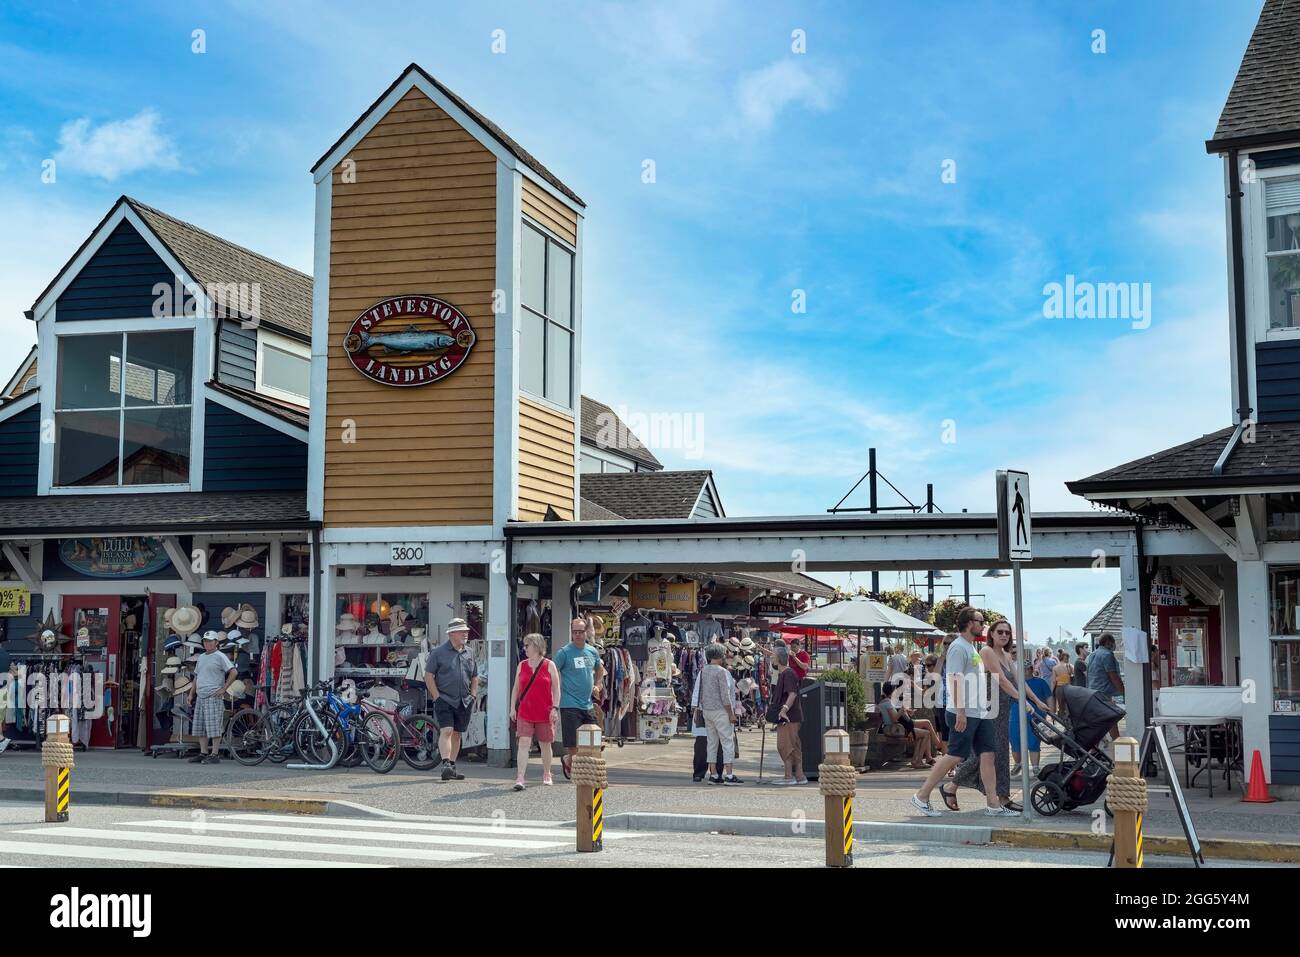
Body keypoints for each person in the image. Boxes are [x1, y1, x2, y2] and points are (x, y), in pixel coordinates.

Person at [911, 608, 1011, 817]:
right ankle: (921, 795)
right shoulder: (958, 648)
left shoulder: (970, 647)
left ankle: (993, 804)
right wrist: (961, 713)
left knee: (988, 754)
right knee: (955, 755)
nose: (983, 624)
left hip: (979, 712)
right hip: (964, 711)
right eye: (980, 621)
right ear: (969, 622)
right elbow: (954, 680)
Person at [943, 620, 1050, 812]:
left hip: (1002, 709)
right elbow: (1000, 680)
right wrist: (1022, 700)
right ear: (991, 633)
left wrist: (1036, 700)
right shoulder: (987, 652)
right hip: (987, 709)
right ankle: (955, 788)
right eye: (999, 631)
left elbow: (1019, 681)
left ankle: (1001, 796)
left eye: (1007, 633)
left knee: (998, 753)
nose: (1004, 635)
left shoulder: (1007, 655)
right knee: (986, 754)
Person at [424, 617, 478, 781]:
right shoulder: (438, 652)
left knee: (457, 734)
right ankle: (445, 764)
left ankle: (452, 767)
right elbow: (428, 676)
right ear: (451, 634)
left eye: (466, 631)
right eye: (462, 631)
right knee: (446, 730)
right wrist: (436, 696)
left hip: (465, 700)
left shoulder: (469, 652)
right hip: (444, 699)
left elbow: (474, 676)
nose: (465, 634)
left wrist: (473, 695)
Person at [554, 616, 606, 781]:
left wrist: (598, 685)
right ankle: (578, 772)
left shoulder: (592, 651)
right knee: (573, 743)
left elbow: (599, 670)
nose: (577, 635)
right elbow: (552, 671)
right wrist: (555, 693)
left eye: (580, 632)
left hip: (587, 703)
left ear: (586, 632)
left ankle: (569, 761)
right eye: (574, 632)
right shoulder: (564, 652)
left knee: (594, 738)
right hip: (569, 703)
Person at [509, 632, 560, 790]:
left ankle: (547, 772)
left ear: (537, 647)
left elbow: (556, 689)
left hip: (545, 711)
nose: (524, 649)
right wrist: (512, 708)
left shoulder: (549, 665)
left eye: (527, 645)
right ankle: (520, 777)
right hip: (525, 711)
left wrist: (555, 708)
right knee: (524, 742)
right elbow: (516, 688)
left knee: (545, 744)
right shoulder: (522, 665)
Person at [696, 643, 743, 785]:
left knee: (712, 743)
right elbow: (725, 695)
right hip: (721, 711)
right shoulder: (722, 672)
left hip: (707, 710)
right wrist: (731, 713)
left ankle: (714, 774)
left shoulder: (703, 670)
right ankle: (729, 775)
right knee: (727, 742)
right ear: (719, 655)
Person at [188, 630, 236, 764]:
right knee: (200, 726)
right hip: (201, 695)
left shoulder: (220, 656)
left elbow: (233, 672)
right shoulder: (202, 657)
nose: (207, 643)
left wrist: (224, 688)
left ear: (216, 643)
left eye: (210, 641)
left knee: (214, 726)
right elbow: (197, 676)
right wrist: (191, 694)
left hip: (213, 694)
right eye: (205, 641)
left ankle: (215, 754)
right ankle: (203, 752)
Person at [881, 677, 939, 768]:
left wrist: (906, 711)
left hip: (898, 727)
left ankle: (917, 760)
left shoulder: (886, 702)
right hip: (896, 728)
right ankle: (920, 759)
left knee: (923, 732)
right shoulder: (888, 703)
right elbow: (894, 719)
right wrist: (903, 708)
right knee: (926, 733)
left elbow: (897, 715)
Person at [771, 644, 806, 785]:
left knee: (785, 745)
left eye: (773, 655)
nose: (771, 657)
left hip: (789, 715)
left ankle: (789, 776)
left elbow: (792, 694)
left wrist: (784, 709)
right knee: (793, 745)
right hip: (791, 715)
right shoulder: (786, 673)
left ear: (778, 658)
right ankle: (798, 775)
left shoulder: (788, 673)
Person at [1086, 633, 1124, 742]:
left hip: (1092, 692)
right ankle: (1119, 744)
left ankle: (1094, 750)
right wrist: (1124, 692)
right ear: (1108, 643)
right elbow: (1114, 677)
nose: (1114, 646)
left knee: (1099, 721)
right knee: (1111, 719)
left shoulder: (1092, 655)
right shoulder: (1107, 655)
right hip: (1104, 693)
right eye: (1113, 643)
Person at [1051, 651, 1073, 719]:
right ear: (1067, 658)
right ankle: (1068, 721)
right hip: (1069, 688)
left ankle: (1062, 721)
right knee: (1068, 706)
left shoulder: (1055, 668)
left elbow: (1054, 681)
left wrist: (1051, 691)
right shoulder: (1070, 666)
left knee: (1061, 706)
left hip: (1059, 688)